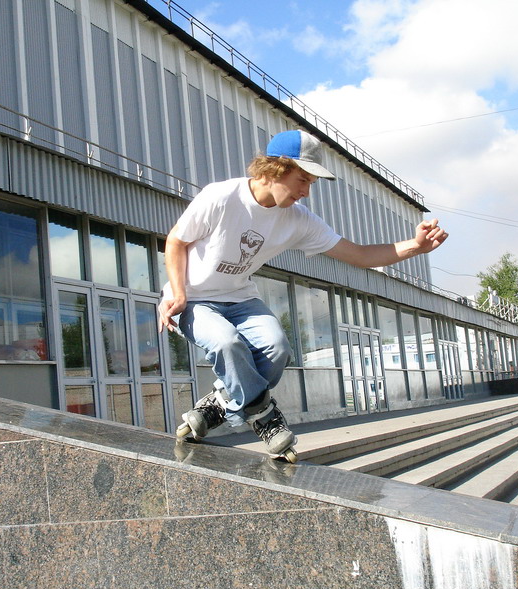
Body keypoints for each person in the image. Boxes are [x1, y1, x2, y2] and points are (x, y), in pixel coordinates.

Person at [158, 129, 448, 460]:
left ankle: (221, 402)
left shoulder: (298, 220)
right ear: (275, 169)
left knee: (277, 348)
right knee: (227, 342)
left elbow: (359, 255)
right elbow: (176, 241)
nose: (306, 192)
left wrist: (415, 247)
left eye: (311, 183)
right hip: (193, 300)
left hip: (240, 298)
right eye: (302, 180)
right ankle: (264, 416)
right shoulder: (222, 197)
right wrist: (178, 292)